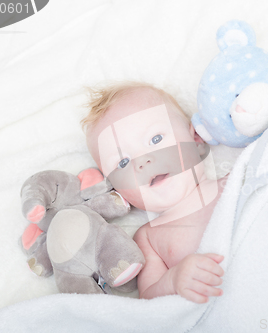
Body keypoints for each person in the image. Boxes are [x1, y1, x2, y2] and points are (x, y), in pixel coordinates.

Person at [82, 82, 227, 303]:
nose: (143, 162)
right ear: (116, 189)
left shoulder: (233, 182)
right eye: (123, 162)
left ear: (196, 139)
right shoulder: (148, 237)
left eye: (155, 139)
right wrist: (173, 279)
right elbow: (148, 298)